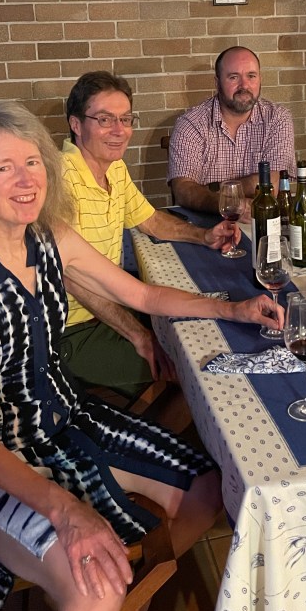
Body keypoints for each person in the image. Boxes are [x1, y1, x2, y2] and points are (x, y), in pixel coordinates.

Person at [0, 102, 283, 611]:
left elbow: (144, 296)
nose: (27, 178)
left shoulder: (48, 238)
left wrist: (233, 309)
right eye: (4, 167)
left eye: (32, 162)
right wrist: (68, 513)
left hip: (65, 421)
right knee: (95, 590)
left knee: (212, 489)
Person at [62, 70, 240, 400]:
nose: (119, 131)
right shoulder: (61, 179)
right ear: (76, 124)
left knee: (206, 327)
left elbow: (151, 221)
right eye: (105, 119)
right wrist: (139, 335)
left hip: (110, 306)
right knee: (192, 367)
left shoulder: (113, 167)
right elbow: (71, 279)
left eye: (125, 119)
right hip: (70, 330)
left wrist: (204, 236)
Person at [167, 46, 296, 218]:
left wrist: (212, 189)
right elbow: (183, 190)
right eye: (233, 77)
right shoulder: (191, 124)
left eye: (251, 76)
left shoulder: (277, 118)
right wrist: (231, 205)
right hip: (206, 221)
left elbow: (273, 182)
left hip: (261, 219)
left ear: (260, 79)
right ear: (217, 82)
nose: (244, 85)